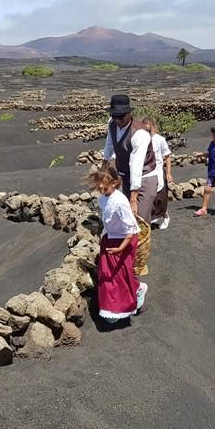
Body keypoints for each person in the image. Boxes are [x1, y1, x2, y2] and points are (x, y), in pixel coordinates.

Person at [89, 165, 147, 325]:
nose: (101, 186)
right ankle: (113, 308)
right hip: (111, 238)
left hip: (124, 240)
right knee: (108, 274)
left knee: (119, 274)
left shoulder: (120, 202)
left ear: (114, 183)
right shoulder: (103, 198)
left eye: (104, 182)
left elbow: (130, 229)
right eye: (99, 182)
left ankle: (129, 299)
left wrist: (120, 248)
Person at [101, 94, 158, 224]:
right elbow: (109, 145)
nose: (117, 119)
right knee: (123, 218)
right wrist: (103, 170)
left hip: (144, 177)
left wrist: (133, 199)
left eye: (121, 116)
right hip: (124, 176)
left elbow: (136, 165)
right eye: (114, 115)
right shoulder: (112, 124)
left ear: (128, 114)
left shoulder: (140, 133)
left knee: (139, 219)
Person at [142, 117, 173, 230]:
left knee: (160, 196)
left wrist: (169, 173)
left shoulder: (160, 140)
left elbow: (167, 156)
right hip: (145, 172)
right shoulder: (141, 140)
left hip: (157, 171)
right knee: (148, 196)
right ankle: (150, 218)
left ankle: (165, 216)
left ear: (154, 128)